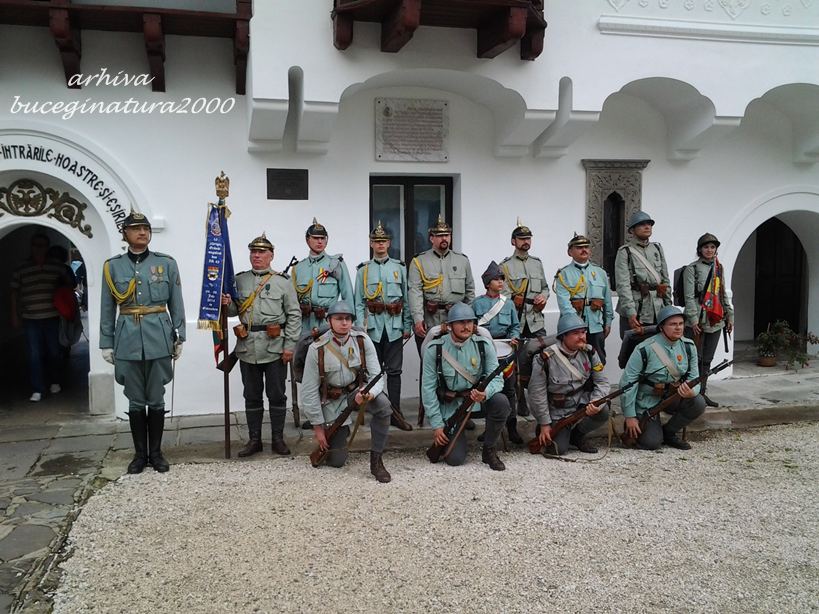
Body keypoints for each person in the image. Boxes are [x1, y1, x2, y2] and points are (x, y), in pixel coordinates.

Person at [100, 210, 185, 473]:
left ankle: (156, 454)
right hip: (127, 338)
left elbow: (176, 302)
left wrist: (180, 334)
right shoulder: (112, 266)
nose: (142, 233)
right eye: (136, 229)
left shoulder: (166, 263)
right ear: (124, 234)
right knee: (135, 399)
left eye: (146, 229)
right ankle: (139, 455)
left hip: (159, 336)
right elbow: (107, 307)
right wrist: (106, 342)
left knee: (156, 398)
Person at [221, 233, 302, 457]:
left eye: (261, 252)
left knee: (277, 395)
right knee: (252, 395)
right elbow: (234, 311)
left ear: (271, 255)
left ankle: (277, 439)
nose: (256, 255)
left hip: (275, 347)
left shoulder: (282, 282)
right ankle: (254, 440)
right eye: (253, 252)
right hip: (247, 347)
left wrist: (289, 345)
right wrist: (227, 304)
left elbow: (294, 315)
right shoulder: (239, 280)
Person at [300, 301, 393, 483]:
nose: (344, 323)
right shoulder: (317, 348)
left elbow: (376, 376)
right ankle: (343, 429)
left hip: (357, 393)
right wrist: (318, 428)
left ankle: (376, 461)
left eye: (348, 318)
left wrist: (369, 393)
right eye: (339, 318)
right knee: (337, 461)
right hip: (332, 402)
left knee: (383, 406)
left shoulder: (362, 340)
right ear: (329, 321)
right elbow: (309, 391)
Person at [420, 303, 510, 470]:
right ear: (450, 325)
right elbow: (428, 389)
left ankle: (489, 450)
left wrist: (485, 393)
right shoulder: (435, 349)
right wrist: (437, 425)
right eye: (461, 322)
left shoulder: (483, 345)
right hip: (452, 407)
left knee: (501, 402)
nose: (466, 326)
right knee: (455, 459)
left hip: (477, 401)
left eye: (469, 322)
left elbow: (497, 379)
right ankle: (457, 431)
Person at [353, 221, 413, 431]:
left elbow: (406, 299)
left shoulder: (399, 267)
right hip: (372, 329)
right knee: (372, 373)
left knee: (394, 372)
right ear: (371, 244)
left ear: (389, 243)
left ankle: (395, 412)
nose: (380, 244)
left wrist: (407, 325)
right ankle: (377, 411)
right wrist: (359, 330)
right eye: (376, 241)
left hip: (394, 327)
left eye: (383, 241)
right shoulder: (363, 270)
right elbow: (358, 303)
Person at [620, 305, 706, 451]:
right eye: (673, 324)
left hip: (673, 395)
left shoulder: (688, 346)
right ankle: (643, 424)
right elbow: (628, 383)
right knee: (651, 443)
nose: (678, 328)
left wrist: (691, 392)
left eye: (681, 324)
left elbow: (694, 377)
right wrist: (630, 416)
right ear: (661, 327)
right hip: (647, 400)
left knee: (697, 402)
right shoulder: (644, 349)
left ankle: (669, 432)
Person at [528, 313, 610, 455]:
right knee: (558, 450)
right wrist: (544, 423)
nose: (582, 337)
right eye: (575, 333)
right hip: (558, 411)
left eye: (583, 332)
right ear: (563, 336)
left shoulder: (590, 352)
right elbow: (537, 394)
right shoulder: (545, 359)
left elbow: (602, 381)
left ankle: (577, 436)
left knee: (602, 410)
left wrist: (595, 401)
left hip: (581, 403)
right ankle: (548, 430)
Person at [10, 233, 75, 402]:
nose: (39, 248)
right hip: (30, 317)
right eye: (36, 245)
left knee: (54, 352)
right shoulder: (21, 268)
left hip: (52, 316)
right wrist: (14, 315)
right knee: (34, 354)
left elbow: (70, 283)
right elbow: (14, 292)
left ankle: (55, 381)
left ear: (47, 247)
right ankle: (38, 388)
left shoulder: (56, 266)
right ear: (31, 247)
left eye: (42, 245)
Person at [499, 219, 549, 415]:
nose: (525, 242)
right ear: (513, 241)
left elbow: (545, 287)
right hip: (517, 320)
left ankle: (541, 399)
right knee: (516, 363)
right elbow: (502, 292)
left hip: (535, 319)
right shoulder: (505, 265)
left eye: (528, 238)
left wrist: (543, 297)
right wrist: (514, 299)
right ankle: (520, 400)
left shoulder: (537, 263)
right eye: (521, 239)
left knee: (542, 357)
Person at [407, 214, 475, 355]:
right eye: (439, 236)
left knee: (457, 360)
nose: (444, 238)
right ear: (432, 238)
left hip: (457, 321)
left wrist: (467, 319)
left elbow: (470, 291)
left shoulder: (462, 261)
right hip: (430, 320)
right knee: (428, 361)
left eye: (447, 235)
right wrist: (418, 320)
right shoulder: (419, 261)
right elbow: (415, 292)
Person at [471, 261, 522, 443]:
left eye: (502, 279)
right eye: (496, 279)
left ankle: (512, 427)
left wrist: (514, 337)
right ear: (487, 283)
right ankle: (489, 429)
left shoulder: (508, 304)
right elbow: (471, 327)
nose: (500, 282)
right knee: (488, 388)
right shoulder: (477, 304)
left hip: (505, 350)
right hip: (485, 350)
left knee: (509, 389)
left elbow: (515, 326)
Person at [682, 233, 734, 408]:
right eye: (706, 247)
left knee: (707, 360)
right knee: (694, 360)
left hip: (715, 320)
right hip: (698, 320)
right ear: (700, 250)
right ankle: (689, 395)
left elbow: (722, 294)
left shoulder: (719, 268)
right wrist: (693, 320)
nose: (709, 250)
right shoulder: (692, 269)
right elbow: (689, 297)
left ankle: (702, 393)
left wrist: (730, 315)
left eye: (712, 247)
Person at [553, 233, 614, 363]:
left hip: (596, 325)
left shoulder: (600, 273)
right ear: (570, 252)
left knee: (598, 360)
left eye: (586, 247)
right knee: (573, 361)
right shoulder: (563, 274)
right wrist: (577, 326)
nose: (584, 250)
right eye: (579, 247)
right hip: (572, 328)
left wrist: (608, 322)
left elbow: (607, 301)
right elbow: (564, 305)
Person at [614, 211, 671, 339]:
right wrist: (630, 312)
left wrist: (668, 306)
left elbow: (665, 279)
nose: (647, 227)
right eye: (642, 224)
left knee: (657, 346)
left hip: (657, 307)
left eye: (649, 224)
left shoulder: (657, 248)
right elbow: (623, 285)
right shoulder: (625, 251)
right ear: (632, 230)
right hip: (637, 308)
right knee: (633, 347)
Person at [292, 218, 354, 335]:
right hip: (304, 325)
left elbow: (348, 296)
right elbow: (292, 301)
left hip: (328, 324)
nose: (319, 241)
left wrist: (350, 326)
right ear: (307, 240)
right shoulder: (298, 268)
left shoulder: (336, 264)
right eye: (315, 238)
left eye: (322, 238)